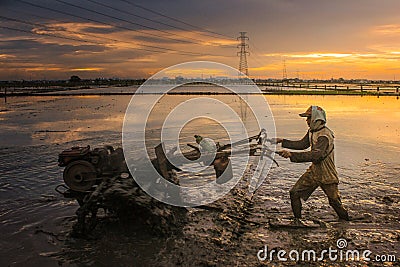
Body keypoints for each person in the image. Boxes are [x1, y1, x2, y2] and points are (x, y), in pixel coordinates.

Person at [273, 106, 350, 221]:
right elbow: (302, 144)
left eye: (308, 118)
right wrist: (282, 141)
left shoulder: (324, 135)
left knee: (334, 202)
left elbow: (316, 155)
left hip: (326, 174)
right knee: (294, 193)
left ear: (316, 119)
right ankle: (297, 221)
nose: (306, 121)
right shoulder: (312, 132)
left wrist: (291, 155)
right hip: (314, 171)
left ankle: (346, 223)